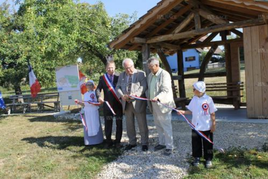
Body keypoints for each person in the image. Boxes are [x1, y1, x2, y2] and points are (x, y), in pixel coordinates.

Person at [178, 81, 217, 168]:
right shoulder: (194, 99)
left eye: (194, 89)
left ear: (200, 90)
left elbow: (212, 113)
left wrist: (213, 124)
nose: (193, 91)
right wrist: (183, 112)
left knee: (208, 144)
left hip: (206, 127)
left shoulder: (208, 99)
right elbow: (191, 111)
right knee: (196, 143)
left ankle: (208, 159)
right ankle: (197, 157)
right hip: (195, 126)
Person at [116, 58, 149, 151]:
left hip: (138, 103)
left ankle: (144, 143)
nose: (128, 70)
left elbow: (144, 86)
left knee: (142, 124)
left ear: (133, 65)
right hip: (126, 103)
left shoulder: (140, 74)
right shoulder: (122, 75)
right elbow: (117, 87)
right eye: (126, 68)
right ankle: (132, 142)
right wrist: (122, 95)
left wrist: (135, 95)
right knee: (129, 124)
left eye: (129, 67)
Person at [147, 57, 175, 156]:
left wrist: (157, 97)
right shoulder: (150, 75)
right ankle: (162, 143)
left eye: (151, 67)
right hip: (154, 105)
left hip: (163, 104)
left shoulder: (164, 74)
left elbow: (165, 90)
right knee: (158, 125)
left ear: (157, 65)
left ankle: (169, 147)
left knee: (166, 126)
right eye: (149, 67)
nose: (150, 69)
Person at [96, 60, 123, 149]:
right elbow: (98, 89)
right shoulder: (102, 78)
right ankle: (108, 141)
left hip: (118, 105)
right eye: (108, 68)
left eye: (111, 67)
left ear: (115, 67)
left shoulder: (119, 76)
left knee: (119, 123)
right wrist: (99, 96)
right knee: (108, 123)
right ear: (106, 68)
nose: (110, 69)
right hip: (107, 105)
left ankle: (118, 141)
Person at [76, 80, 103, 146]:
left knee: (95, 124)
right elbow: (84, 104)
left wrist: (93, 103)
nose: (89, 86)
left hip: (94, 110)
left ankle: (98, 140)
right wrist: (79, 102)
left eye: (90, 85)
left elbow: (99, 103)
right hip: (87, 111)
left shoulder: (96, 93)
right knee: (88, 125)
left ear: (93, 86)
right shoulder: (85, 94)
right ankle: (89, 141)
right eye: (87, 85)